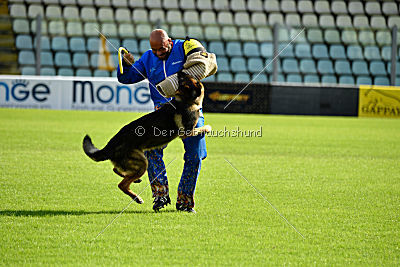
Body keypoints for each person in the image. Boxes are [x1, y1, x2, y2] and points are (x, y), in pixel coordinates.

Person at [117, 29, 213, 213]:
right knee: (152, 151)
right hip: (162, 113)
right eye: (155, 50)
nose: (159, 53)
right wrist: (126, 64)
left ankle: (185, 201)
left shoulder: (184, 48)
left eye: (161, 48)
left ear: (169, 41)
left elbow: (203, 63)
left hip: (190, 110)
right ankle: (160, 196)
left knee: (195, 155)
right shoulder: (147, 58)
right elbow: (126, 78)